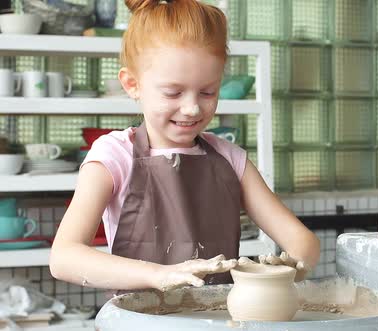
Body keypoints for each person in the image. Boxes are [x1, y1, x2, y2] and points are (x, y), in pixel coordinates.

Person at [49, 0, 320, 292]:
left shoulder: (231, 160)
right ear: (132, 84)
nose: (192, 108)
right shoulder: (114, 155)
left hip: (218, 321)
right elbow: (64, 257)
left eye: (208, 91)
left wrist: (282, 272)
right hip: (140, 321)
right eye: (173, 92)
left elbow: (303, 242)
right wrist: (159, 275)